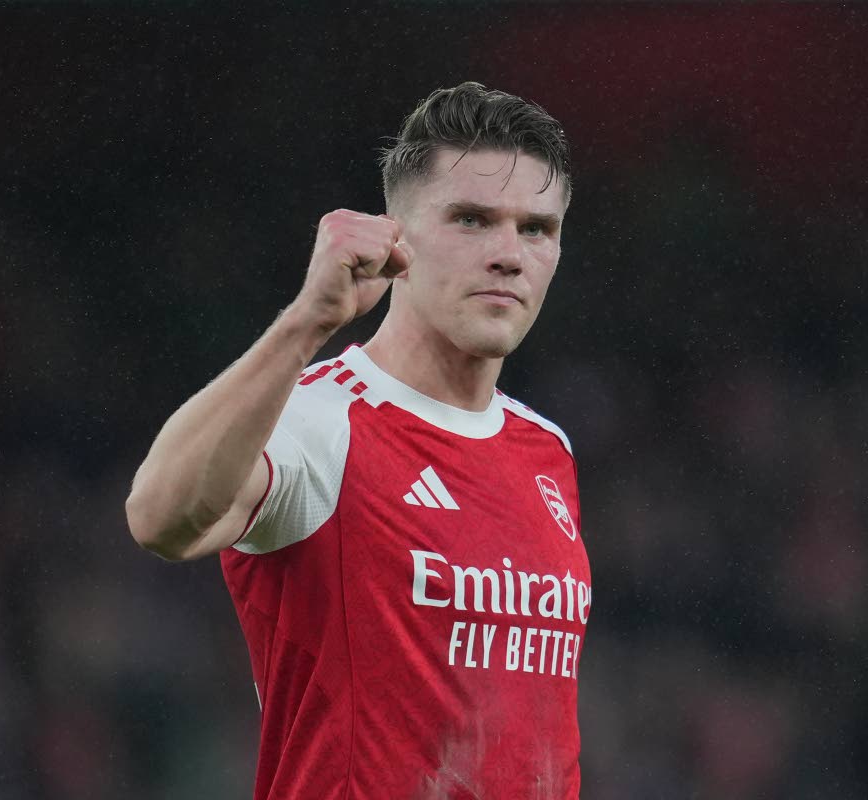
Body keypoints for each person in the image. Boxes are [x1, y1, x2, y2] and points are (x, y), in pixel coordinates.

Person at [126, 82, 590, 799]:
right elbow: (159, 518)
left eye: (536, 228)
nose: (509, 253)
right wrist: (308, 320)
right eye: (471, 219)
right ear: (395, 237)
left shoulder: (547, 449)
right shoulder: (320, 420)